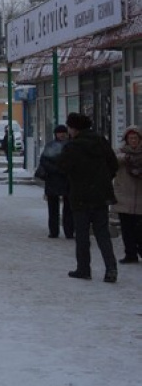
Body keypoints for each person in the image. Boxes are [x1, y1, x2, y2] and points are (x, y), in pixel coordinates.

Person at [58, 112, 118, 283]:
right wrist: (104, 179)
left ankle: (84, 268)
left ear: (74, 128)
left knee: (82, 233)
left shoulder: (73, 146)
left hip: (80, 195)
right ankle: (111, 268)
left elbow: (63, 167)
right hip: (101, 195)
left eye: (69, 127)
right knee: (102, 233)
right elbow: (113, 164)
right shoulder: (101, 141)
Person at [111, 125, 142, 264]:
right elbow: (112, 161)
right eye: (131, 138)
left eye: (136, 138)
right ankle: (130, 253)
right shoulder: (120, 153)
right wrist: (125, 158)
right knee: (127, 228)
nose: (133, 141)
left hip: (140, 198)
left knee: (139, 229)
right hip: (124, 197)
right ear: (126, 140)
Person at [37, 124, 73, 239]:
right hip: (53, 179)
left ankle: (69, 231)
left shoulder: (71, 145)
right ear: (56, 134)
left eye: (64, 132)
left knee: (69, 208)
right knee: (53, 208)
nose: (62, 135)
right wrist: (56, 169)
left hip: (67, 180)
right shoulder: (50, 146)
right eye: (60, 133)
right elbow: (44, 161)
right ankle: (54, 231)